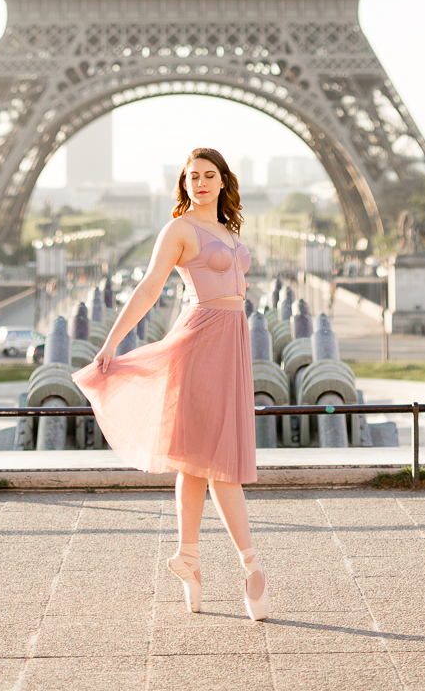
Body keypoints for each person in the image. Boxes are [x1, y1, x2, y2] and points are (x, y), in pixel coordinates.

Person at [73, 147, 269, 621]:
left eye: (208, 175)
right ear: (183, 183)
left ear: (223, 181)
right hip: (201, 343)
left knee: (205, 460)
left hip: (232, 343)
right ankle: (250, 565)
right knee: (212, 460)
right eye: (191, 176)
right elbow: (148, 287)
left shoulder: (227, 230)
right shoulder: (179, 229)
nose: (199, 183)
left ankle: (189, 557)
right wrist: (110, 343)